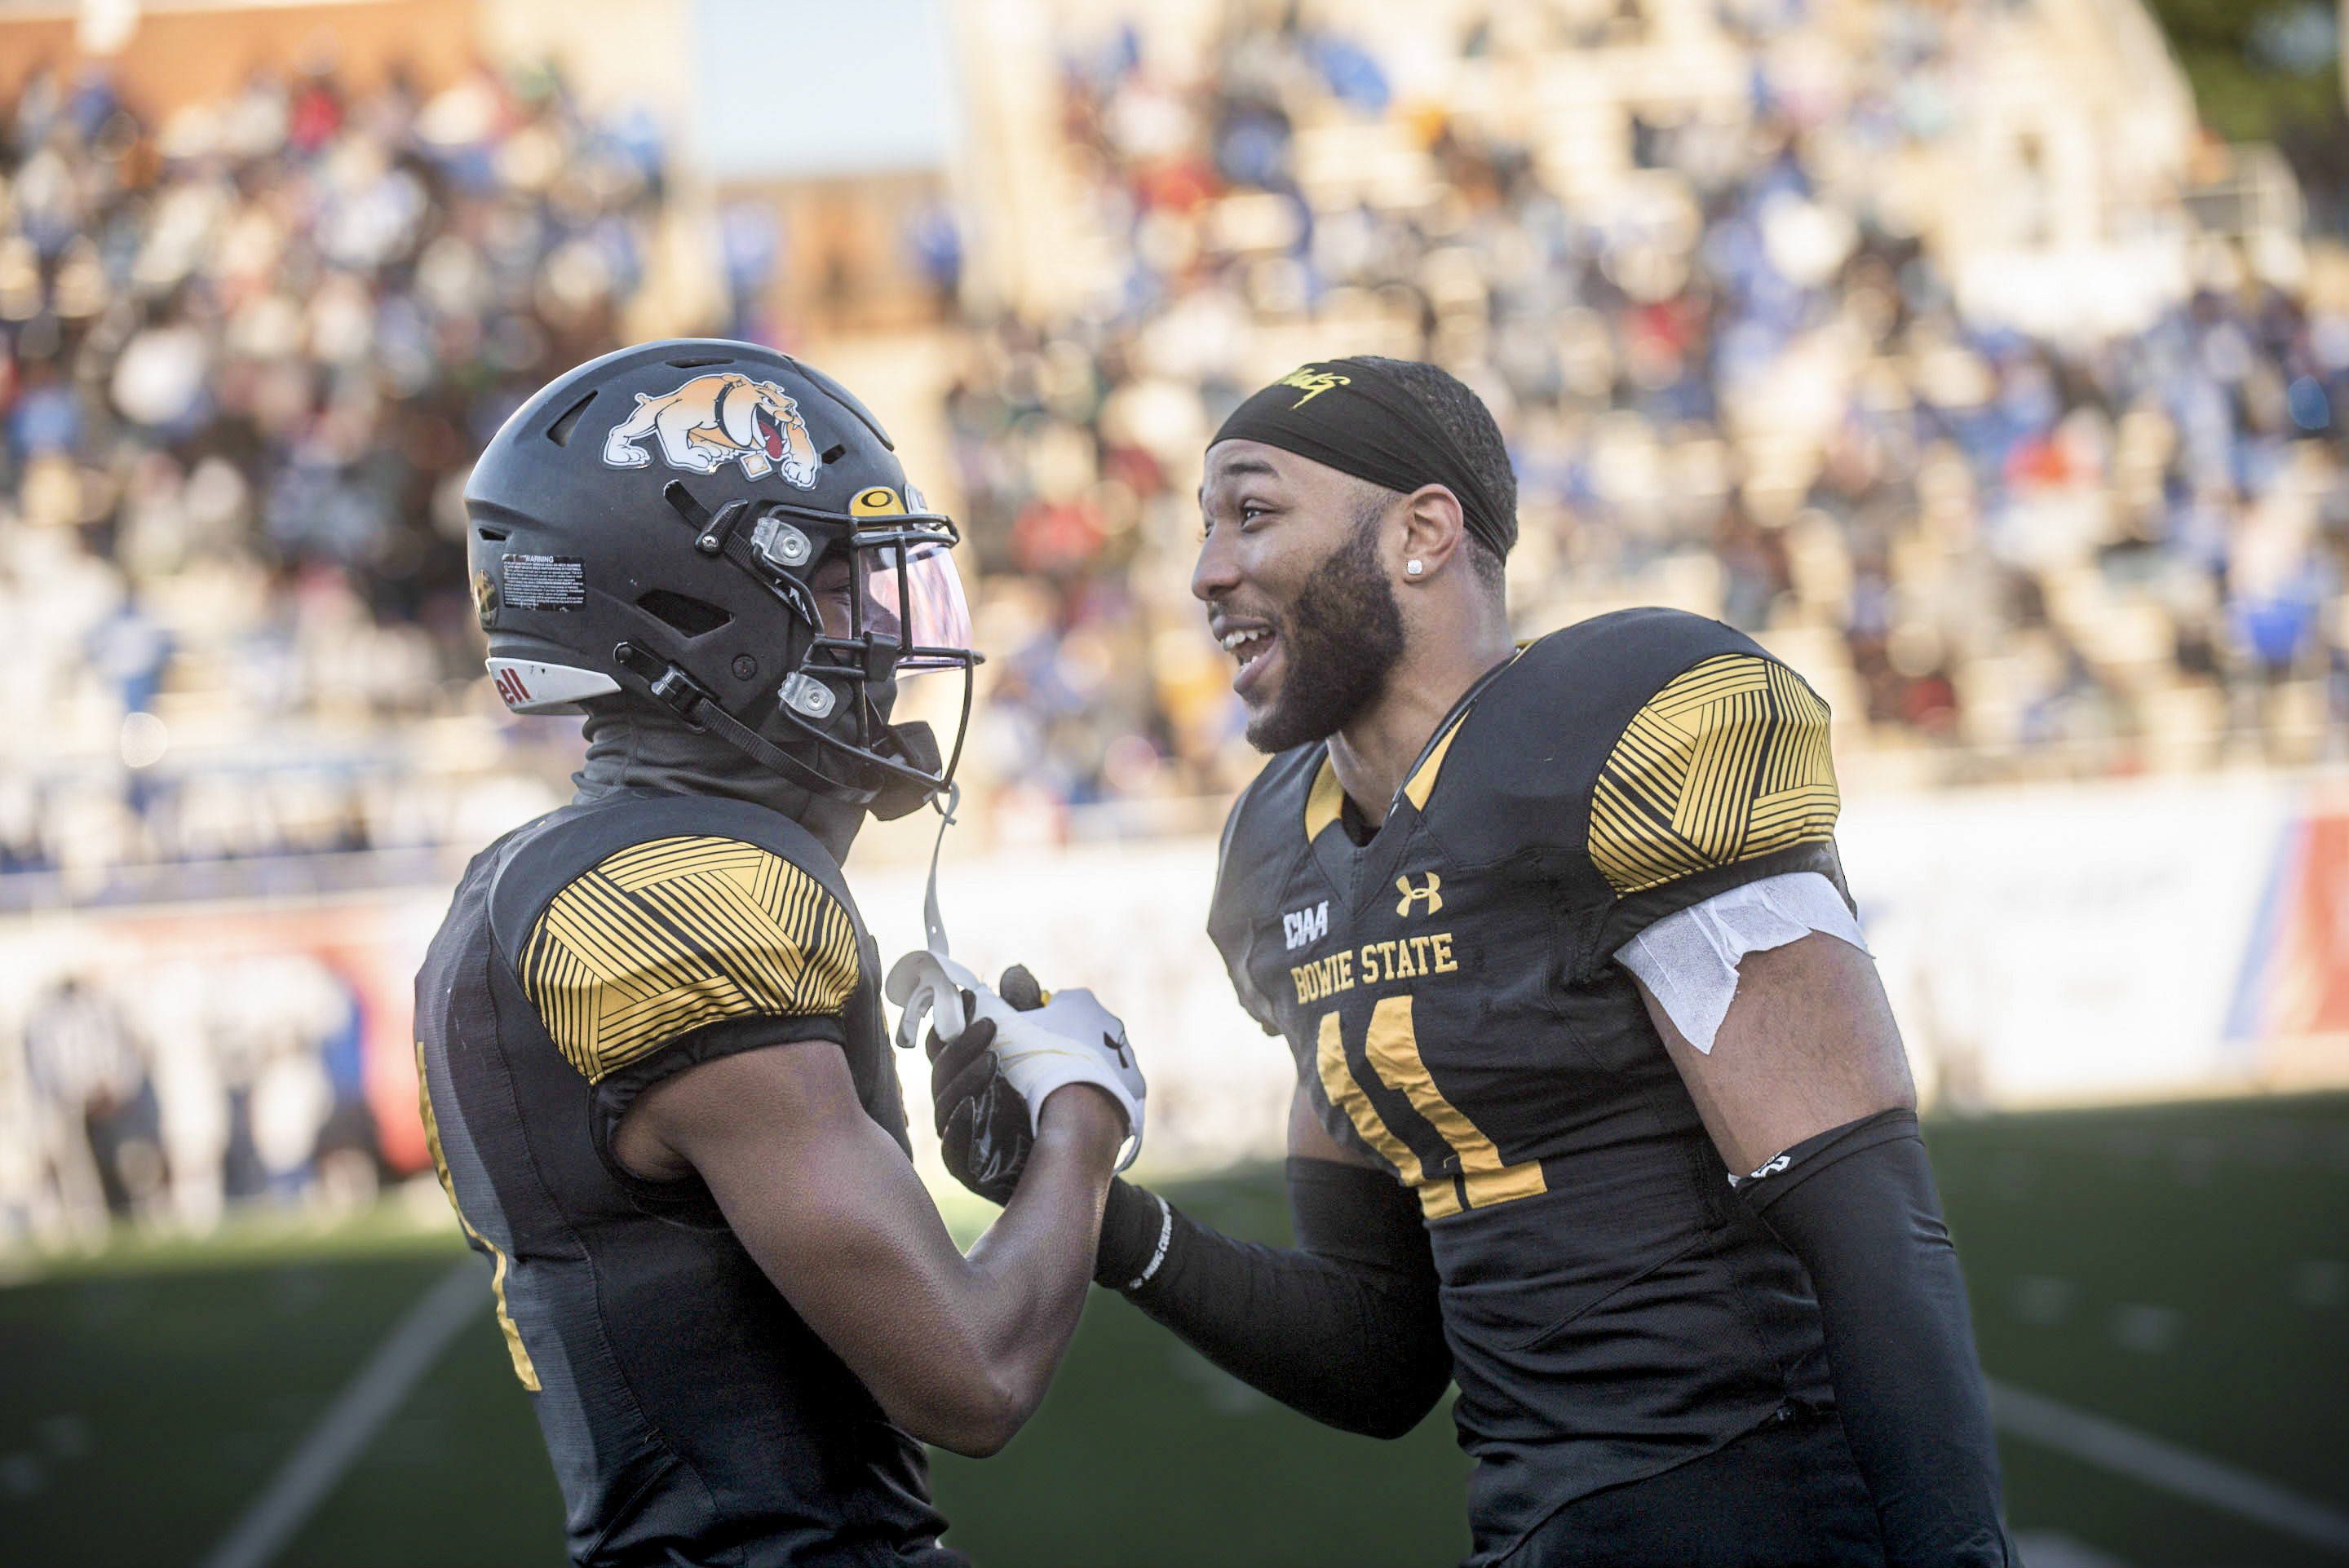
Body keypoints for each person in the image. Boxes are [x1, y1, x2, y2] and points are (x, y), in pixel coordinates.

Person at [930, 357, 2013, 1566]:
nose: (1206, 571)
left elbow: (1872, 1228)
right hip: (1529, 1531)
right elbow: (1381, 1349)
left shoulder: (1621, 732)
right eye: (1204, 527)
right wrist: (1091, 1206)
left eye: (1253, 512)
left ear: (1423, 532)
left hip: (1758, 1516)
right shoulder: (1280, 857)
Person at [414, 340, 1145, 1568]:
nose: (886, 632)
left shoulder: (565, 869)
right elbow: (971, 1374)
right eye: (844, 584)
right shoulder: (682, 892)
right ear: (693, 606)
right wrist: (1083, 1119)